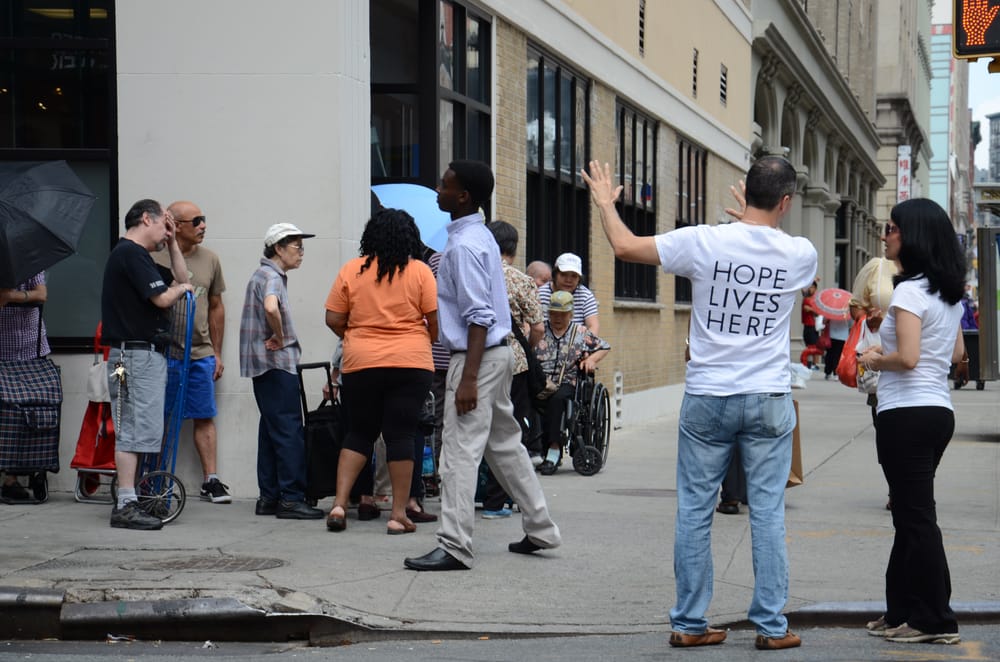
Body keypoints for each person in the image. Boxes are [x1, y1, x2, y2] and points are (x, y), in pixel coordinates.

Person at [582, 156, 815, 651]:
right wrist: (750, 227)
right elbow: (761, 255)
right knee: (768, 512)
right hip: (768, 395)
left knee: (694, 509)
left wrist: (605, 202)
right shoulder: (801, 253)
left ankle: (690, 621)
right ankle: (772, 627)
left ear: (745, 192)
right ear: (787, 202)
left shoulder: (702, 242)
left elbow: (624, 246)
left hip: (709, 394)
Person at [404, 160, 561, 571]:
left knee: (457, 454)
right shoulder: (480, 237)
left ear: (463, 197)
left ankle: (455, 545)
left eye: (445, 185)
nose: (438, 189)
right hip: (497, 354)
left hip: (476, 359)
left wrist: (468, 380)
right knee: (505, 445)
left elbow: (478, 317)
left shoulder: (465, 246)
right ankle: (541, 528)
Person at [858, 199, 966, 645]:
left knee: (917, 517)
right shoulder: (947, 292)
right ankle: (901, 609)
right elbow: (958, 355)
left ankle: (935, 619)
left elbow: (908, 357)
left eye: (893, 228)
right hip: (937, 412)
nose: (886, 235)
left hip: (906, 414)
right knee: (908, 514)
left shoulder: (908, 291)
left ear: (913, 236)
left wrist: (873, 357)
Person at [324, 208, 438, 535]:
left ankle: (339, 504)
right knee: (400, 434)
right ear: (410, 237)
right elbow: (434, 320)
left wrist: (356, 334)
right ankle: (398, 514)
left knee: (359, 432)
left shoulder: (352, 269)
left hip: (361, 362)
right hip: (411, 361)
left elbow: (333, 318)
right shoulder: (419, 271)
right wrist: (422, 339)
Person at [101, 199, 194, 530]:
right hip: (133, 355)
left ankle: (129, 498)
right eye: (162, 224)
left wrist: (171, 244)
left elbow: (182, 278)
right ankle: (126, 503)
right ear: (145, 218)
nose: (164, 231)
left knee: (140, 428)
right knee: (133, 428)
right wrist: (181, 289)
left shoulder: (138, 257)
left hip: (139, 355)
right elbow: (164, 297)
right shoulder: (129, 254)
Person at [239, 222, 323, 520]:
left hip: (262, 366)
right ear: (278, 248)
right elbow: (271, 308)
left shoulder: (261, 274)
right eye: (297, 246)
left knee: (271, 429)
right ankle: (291, 498)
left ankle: (269, 497)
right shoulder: (272, 275)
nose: (301, 253)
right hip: (276, 364)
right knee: (289, 430)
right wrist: (280, 336)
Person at [153, 200, 230, 504]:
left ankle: (211, 480)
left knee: (204, 415)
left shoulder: (210, 259)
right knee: (160, 417)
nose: (203, 226)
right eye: (196, 221)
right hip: (163, 353)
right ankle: (156, 480)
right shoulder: (153, 257)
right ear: (177, 225)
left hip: (200, 353)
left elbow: (216, 307)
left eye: (204, 219)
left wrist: (217, 352)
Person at [480, 220, 546, 518]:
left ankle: (479, 494)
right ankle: (502, 499)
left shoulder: (478, 275)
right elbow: (538, 328)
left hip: (477, 360)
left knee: (478, 429)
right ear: (513, 249)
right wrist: (528, 348)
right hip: (514, 362)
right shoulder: (521, 281)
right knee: (510, 431)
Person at [534, 290, 610, 476]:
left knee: (557, 400)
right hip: (541, 381)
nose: (557, 318)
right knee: (524, 398)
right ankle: (532, 449)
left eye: (562, 314)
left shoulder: (580, 332)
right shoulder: (540, 330)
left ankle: (553, 450)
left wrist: (591, 360)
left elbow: (604, 347)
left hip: (567, 382)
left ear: (570, 314)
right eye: (553, 313)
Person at [0, 273, 51, 500]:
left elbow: (42, 294)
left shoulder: (30, 261)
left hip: (32, 346)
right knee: (6, 415)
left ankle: (18, 476)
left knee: (31, 412)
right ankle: (9, 478)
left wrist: (12, 295)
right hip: (3, 347)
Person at [538, 253, 599, 334]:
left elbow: (593, 326)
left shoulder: (586, 296)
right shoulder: (540, 294)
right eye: (563, 274)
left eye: (574, 276)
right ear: (555, 275)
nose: (568, 280)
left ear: (579, 278)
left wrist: (584, 342)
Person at [801, 280, 820, 370]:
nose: (810, 289)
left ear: (815, 289)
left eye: (812, 287)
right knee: (808, 345)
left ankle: (815, 364)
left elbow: (817, 312)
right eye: (809, 287)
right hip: (806, 325)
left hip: (813, 325)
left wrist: (811, 310)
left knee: (814, 345)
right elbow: (805, 309)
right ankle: (808, 363)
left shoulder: (816, 300)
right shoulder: (806, 297)